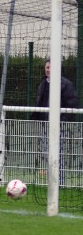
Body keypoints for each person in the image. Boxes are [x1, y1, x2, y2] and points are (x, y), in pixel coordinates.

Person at [29, 57, 79, 185]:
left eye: (51, 67)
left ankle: (59, 183)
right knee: (47, 153)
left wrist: (62, 120)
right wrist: (36, 116)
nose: (49, 70)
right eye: (47, 67)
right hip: (45, 124)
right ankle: (52, 181)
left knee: (58, 153)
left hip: (58, 125)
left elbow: (72, 103)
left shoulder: (66, 84)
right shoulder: (43, 83)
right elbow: (40, 102)